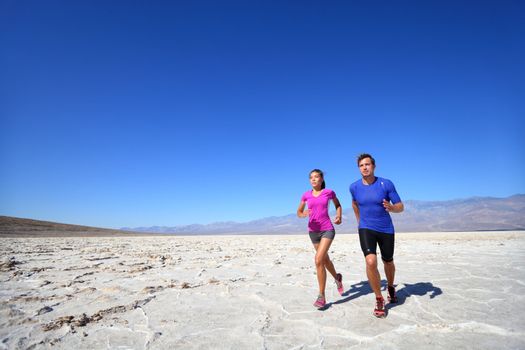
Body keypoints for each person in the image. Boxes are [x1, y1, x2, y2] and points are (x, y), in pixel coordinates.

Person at [350, 154, 404, 318]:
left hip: (386, 228)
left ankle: (390, 286)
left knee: (388, 261)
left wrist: (392, 208)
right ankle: (379, 298)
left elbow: (400, 206)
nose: (364, 167)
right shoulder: (354, 187)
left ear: (374, 166)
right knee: (370, 261)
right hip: (366, 228)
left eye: (367, 164)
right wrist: (360, 222)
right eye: (361, 165)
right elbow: (354, 203)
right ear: (358, 168)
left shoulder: (386, 184)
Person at [297, 169, 344, 309]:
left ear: (322, 179)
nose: (313, 179)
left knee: (318, 260)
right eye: (311, 177)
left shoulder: (328, 192)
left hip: (327, 229)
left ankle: (321, 296)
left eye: (316, 177)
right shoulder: (306, 195)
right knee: (324, 259)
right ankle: (337, 278)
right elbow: (298, 212)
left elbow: (338, 205)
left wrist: (339, 216)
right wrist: (303, 213)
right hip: (313, 231)